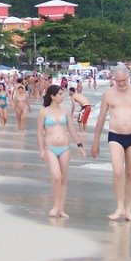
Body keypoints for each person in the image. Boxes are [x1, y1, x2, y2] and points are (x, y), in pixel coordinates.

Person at [90, 64, 131, 222]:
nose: (122, 84)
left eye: (124, 80)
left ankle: (128, 210)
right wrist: (95, 142)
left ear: (128, 77)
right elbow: (101, 119)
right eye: (118, 81)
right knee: (118, 172)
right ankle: (119, 207)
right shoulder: (108, 94)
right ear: (114, 79)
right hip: (115, 135)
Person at [37, 85, 86, 219]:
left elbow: (71, 130)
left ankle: (61, 209)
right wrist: (41, 150)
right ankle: (54, 206)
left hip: (65, 148)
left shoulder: (65, 111)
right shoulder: (44, 112)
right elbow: (39, 133)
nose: (62, 96)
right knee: (56, 176)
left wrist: (80, 145)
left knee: (63, 179)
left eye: (62, 94)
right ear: (52, 96)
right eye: (59, 94)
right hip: (50, 148)